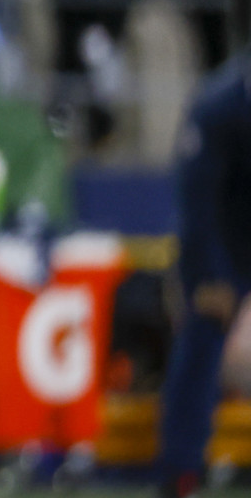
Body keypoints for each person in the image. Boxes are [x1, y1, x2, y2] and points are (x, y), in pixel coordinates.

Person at [157, 49, 251, 498]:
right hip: (228, 244)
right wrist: (207, 274)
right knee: (203, 334)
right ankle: (181, 474)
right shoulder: (219, 105)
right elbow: (197, 205)